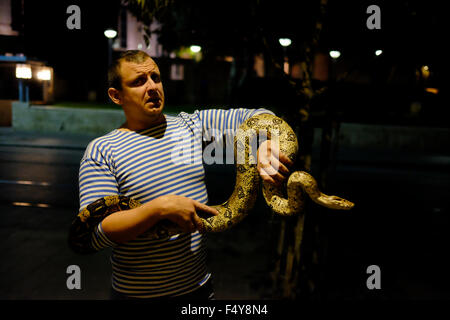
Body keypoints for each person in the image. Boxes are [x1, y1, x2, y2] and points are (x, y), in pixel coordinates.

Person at [77, 50, 293, 300]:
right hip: (136, 296)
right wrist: (158, 209)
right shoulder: (102, 151)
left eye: (155, 78)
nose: (152, 87)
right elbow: (95, 234)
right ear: (116, 96)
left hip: (198, 290)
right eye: (139, 81)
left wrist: (267, 143)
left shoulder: (191, 126)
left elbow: (257, 115)